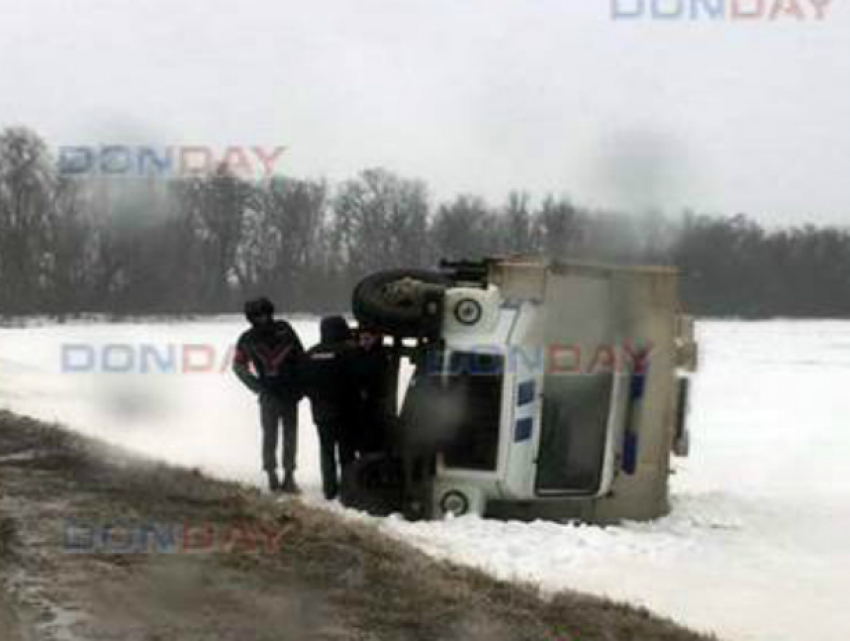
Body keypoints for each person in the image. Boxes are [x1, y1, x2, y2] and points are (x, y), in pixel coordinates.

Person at [233, 297, 304, 493]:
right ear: (251, 318)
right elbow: (238, 366)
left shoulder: (284, 329)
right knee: (270, 436)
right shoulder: (247, 338)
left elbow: (300, 357)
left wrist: (301, 386)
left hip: (290, 392)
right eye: (257, 316)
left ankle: (289, 475)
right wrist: (257, 386)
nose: (262, 319)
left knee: (289, 436)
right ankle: (272, 474)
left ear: (270, 313)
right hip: (269, 395)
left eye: (264, 314)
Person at [300, 316, 359, 500]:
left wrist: (316, 398)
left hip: (321, 411)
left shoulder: (311, 354)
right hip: (346, 410)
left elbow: (303, 382)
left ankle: (329, 489)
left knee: (326, 451)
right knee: (346, 452)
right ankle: (348, 489)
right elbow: (356, 380)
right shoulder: (349, 352)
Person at [351, 326, 395, 455]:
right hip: (362, 405)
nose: (364, 342)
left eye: (367, 339)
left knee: (374, 436)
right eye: (362, 339)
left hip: (375, 403)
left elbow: (380, 379)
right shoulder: (358, 355)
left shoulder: (379, 356)